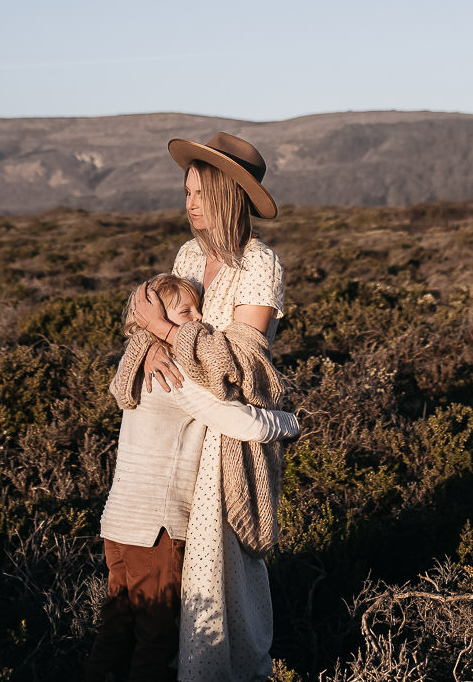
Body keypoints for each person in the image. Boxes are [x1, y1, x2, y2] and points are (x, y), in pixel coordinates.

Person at [125, 132, 288, 682]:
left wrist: (163, 331)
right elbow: (162, 324)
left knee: (224, 571)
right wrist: (151, 342)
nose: (189, 201)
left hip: (228, 436)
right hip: (180, 431)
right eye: (186, 190)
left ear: (227, 195)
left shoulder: (259, 264)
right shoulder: (189, 255)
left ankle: (235, 672)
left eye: (200, 192)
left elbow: (240, 365)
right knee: (177, 570)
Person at [87, 273, 300, 682]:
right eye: (186, 311)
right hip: (157, 528)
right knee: (155, 641)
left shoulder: (137, 359)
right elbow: (242, 423)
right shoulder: (173, 368)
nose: (198, 319)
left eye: (198, 308)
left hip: (119, 524)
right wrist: (290, 422)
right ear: (155, 318)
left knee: (116, 631)